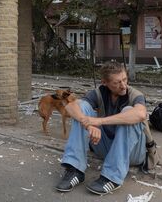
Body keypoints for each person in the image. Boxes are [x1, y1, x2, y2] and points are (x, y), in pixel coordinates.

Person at [56, 61, 147, 196]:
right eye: (117, 83)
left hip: (132, 152)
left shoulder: (135, 94)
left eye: (125, 79)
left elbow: (140, 114)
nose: (123, 86)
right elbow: (70, 107)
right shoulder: (100, 92)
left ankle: (112, 178)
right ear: (105, 82)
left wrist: (99, 121)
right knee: (81, 109)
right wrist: (88, 123)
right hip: (107, 148)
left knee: (129, 111)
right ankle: (75, 169)